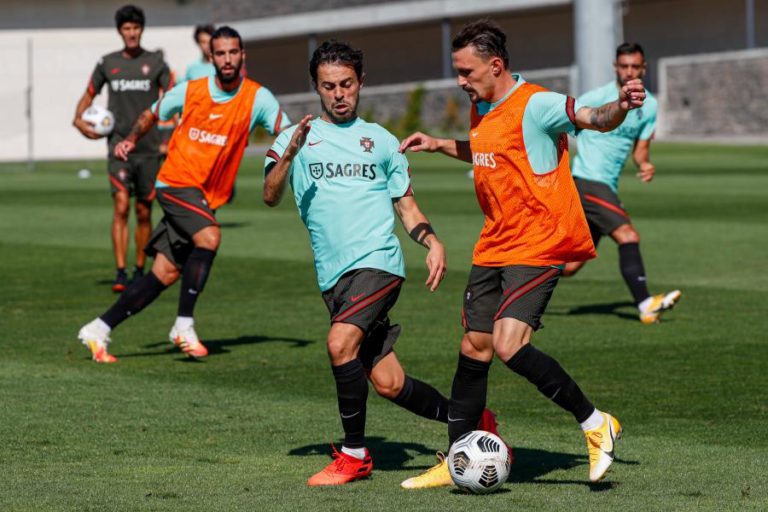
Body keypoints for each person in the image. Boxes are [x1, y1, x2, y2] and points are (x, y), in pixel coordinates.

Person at [397, 20, 648, 488]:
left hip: (540, 241)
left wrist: (622, 105)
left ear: (495, 65)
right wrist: (437, 144)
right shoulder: (481, 104)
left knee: (510, 345)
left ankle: (596, 423)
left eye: (466, 71)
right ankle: (455, 459)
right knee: (474, 345)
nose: (459, 80)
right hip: (494, 241)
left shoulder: (538, 103)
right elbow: (487, 151)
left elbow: (595, 117)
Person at [263, 40, 504, 487]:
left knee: (339, 345)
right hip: (333, 278)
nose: (339, 94)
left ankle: (354, 455)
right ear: (315, 87)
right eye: (329, 86)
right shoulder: (293, 139)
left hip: (378, 265)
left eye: (347, 84)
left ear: (361, 83)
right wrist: (292, 152)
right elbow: (270, 195)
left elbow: (407, 207)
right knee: (389, 382)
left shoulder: (383, 142)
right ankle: (473, 418)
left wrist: (430, 241)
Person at [77, 26, 289, 363]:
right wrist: (131, 139)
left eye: (234, 52)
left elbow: (286, 130)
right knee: (210, 236)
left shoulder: (257, 97)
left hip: (205, 196)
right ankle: (183, 325)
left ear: (243, 55)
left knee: (164, 273)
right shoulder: (191, 90)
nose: (227, 59)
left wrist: (307, 140)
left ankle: (98, 329)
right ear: (211, 57)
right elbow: (152, 112)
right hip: (176, 183)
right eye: (220, 53)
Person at [563, 43, 681, 324]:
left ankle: (513, 275)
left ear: (644, 69)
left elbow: (640, 151)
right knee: (627, 235)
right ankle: (645, 304)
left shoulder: (649, 105)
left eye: (635, 67)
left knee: (570, 266)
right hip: (586, 181)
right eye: (624, 66)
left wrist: (645, 165)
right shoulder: (595, 98)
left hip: (606, 186)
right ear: (615, 67)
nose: (629, 72)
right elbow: (562, 128)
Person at [73, 5, 173, 292]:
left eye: (136, 28)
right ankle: (120, 272)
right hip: (118, 148)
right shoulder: (107, 63)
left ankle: (139, 269)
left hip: (149, 148)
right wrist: (78, 120)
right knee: (120, 206)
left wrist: (170, 136)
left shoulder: (155, 63)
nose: (132, 33)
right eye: (126, 28)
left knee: (143, 211)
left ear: (142, 29)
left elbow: (175, 98)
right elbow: (88, 95)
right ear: (120, 32)